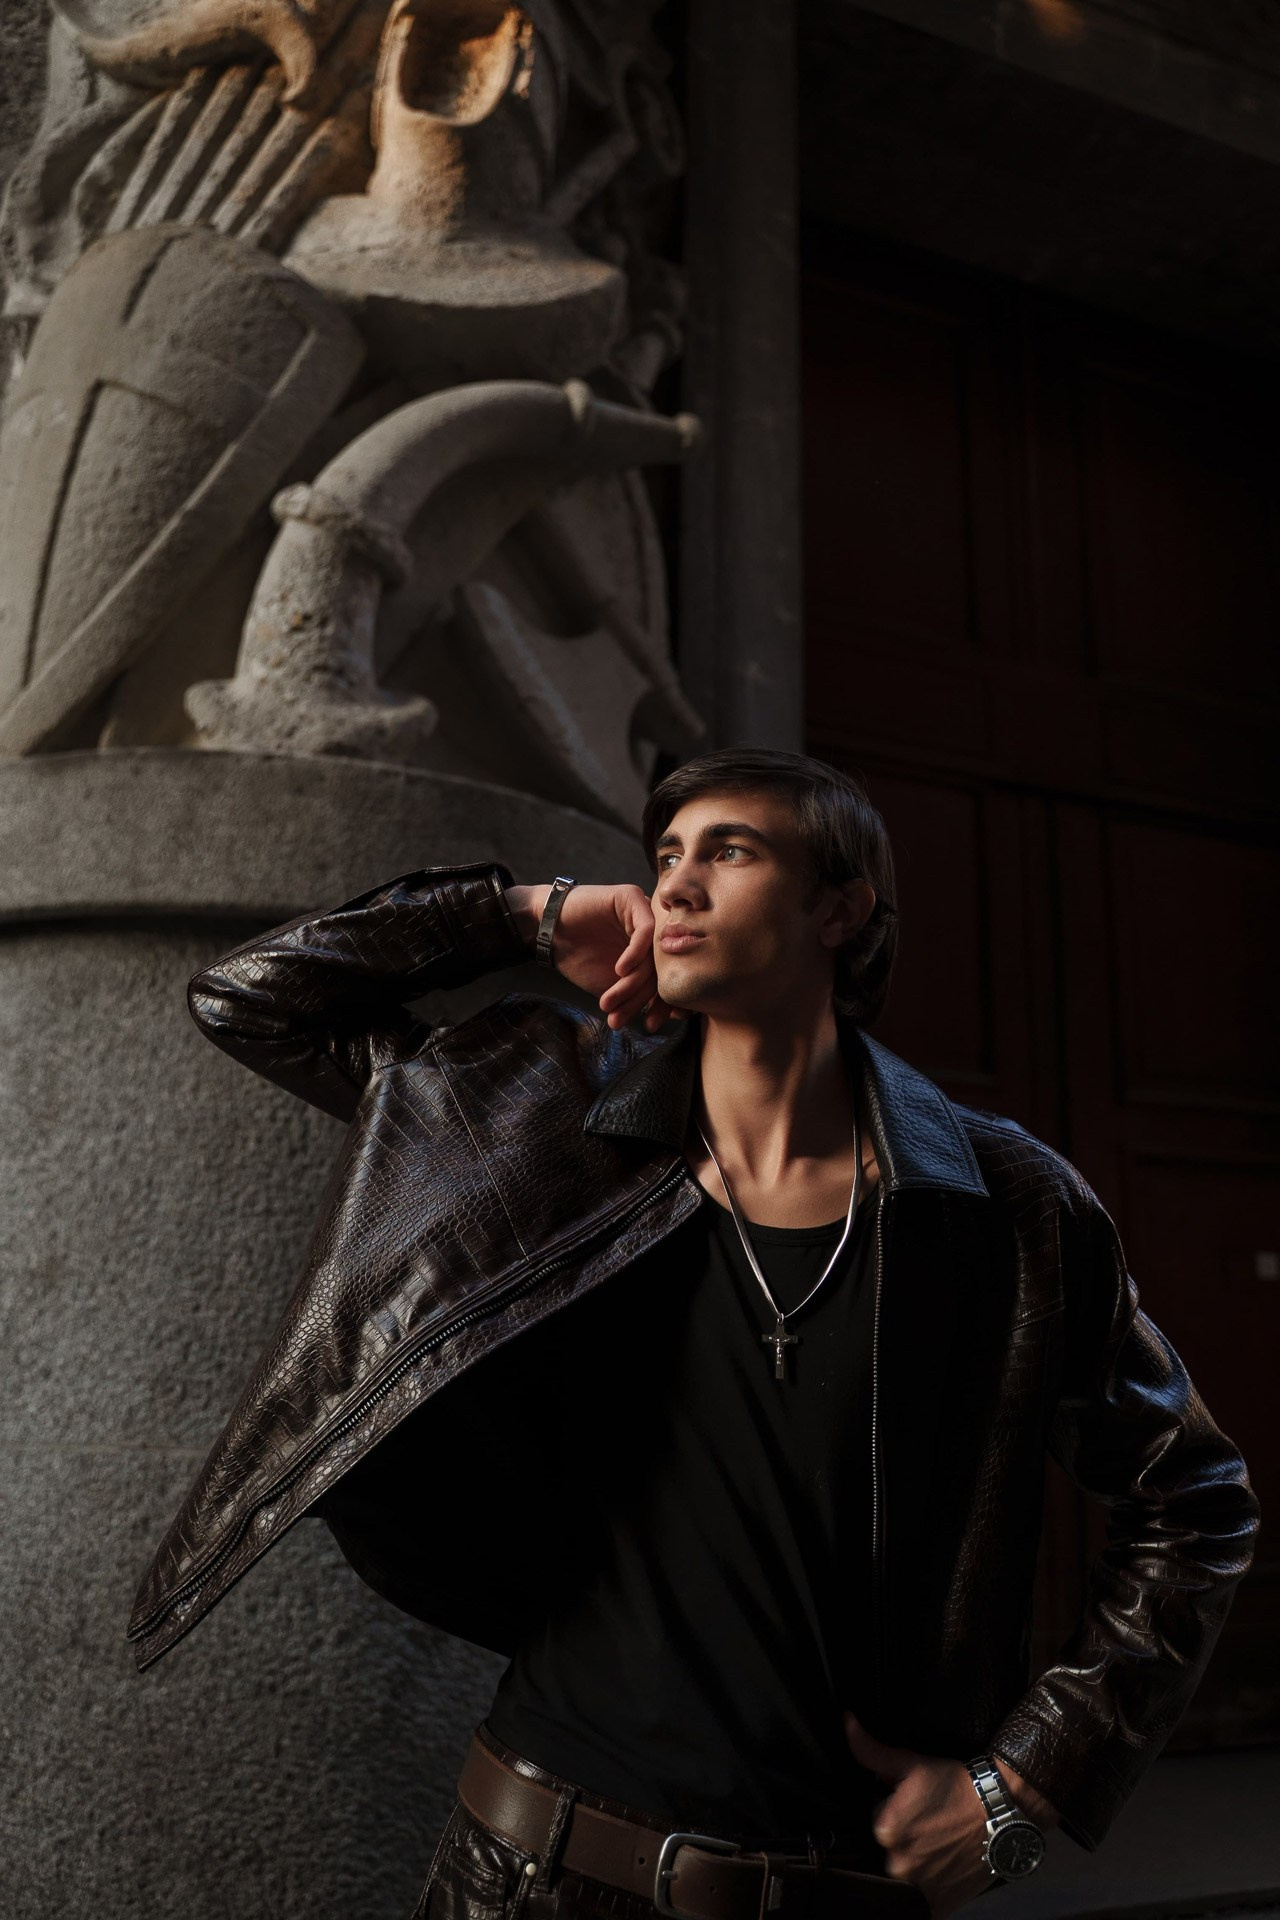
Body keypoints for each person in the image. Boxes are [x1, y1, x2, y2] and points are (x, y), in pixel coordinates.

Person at [129, 747, 1260, 1920]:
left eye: (730, 850)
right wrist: (528, 913)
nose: (674, 882)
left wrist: (1022, 1785)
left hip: (836, 1887)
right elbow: (249, 999)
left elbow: (1195, 1501)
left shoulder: (1003, 1207)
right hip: (526, 1868)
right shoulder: (534, 1113)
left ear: (841, 908)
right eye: (666, 854)